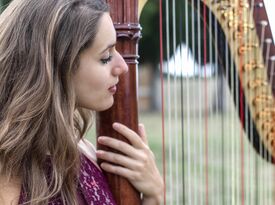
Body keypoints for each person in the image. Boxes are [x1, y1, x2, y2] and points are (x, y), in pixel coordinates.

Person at [0, 0, 164, 204]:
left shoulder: (81, 148)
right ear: (58, 67)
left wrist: (154, 194)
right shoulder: (8, 169)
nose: (123, 66)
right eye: (105, 57)